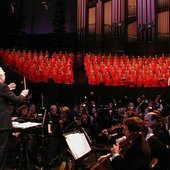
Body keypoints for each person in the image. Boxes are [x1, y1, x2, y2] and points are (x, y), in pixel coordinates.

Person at [0, 67, 29, 170]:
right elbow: (17, 100)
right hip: (2, 124)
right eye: (4, 75)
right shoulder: (2, 86)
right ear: (1, 77)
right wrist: (23, 94)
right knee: (2, 151)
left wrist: (7, 87)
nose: (5, 77)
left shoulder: (3, 87)